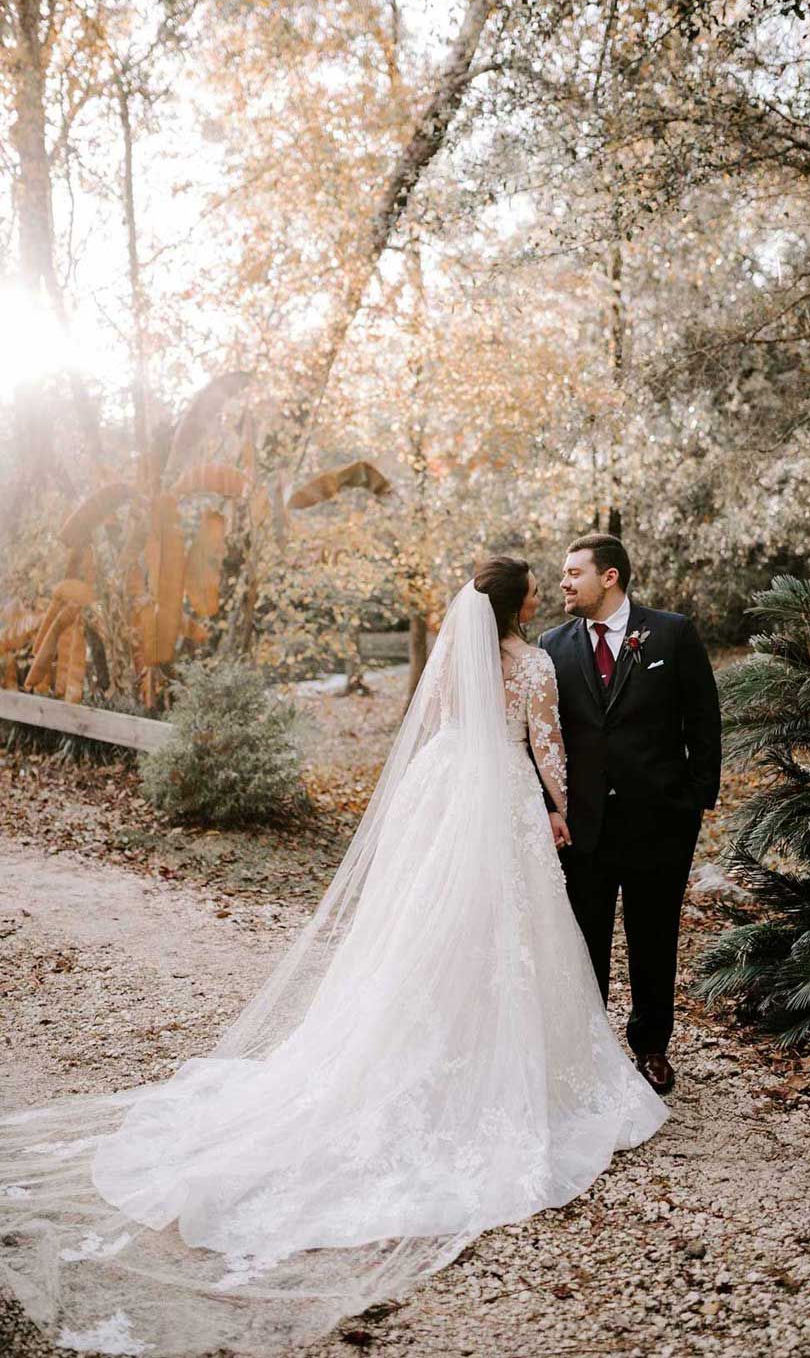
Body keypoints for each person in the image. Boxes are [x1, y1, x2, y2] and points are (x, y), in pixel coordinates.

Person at [0, 559, 666, 1358]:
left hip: (443, 794)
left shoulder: (454, 656)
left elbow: (441, 726)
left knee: (421, 936)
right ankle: (501, 1059)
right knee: (503, 937)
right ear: (521, 603)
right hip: (498, 806)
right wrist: (562, 811)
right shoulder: (533, 665)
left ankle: (426, 1037)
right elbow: (547, 750)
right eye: (536, 586)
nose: (543, 594)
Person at [538, 534, 722, 1096]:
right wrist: (550, 808)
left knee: (654, 935)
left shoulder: (672, 632)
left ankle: (651, 1049)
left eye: (574, 573)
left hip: (660, 820)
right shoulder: (551, 644)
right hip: (583, 824)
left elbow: (703, 720)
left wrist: (694, 800)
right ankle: (590, 1053)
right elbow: (543, 735)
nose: (564, 583)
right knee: (584, 939)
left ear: (609, 576)